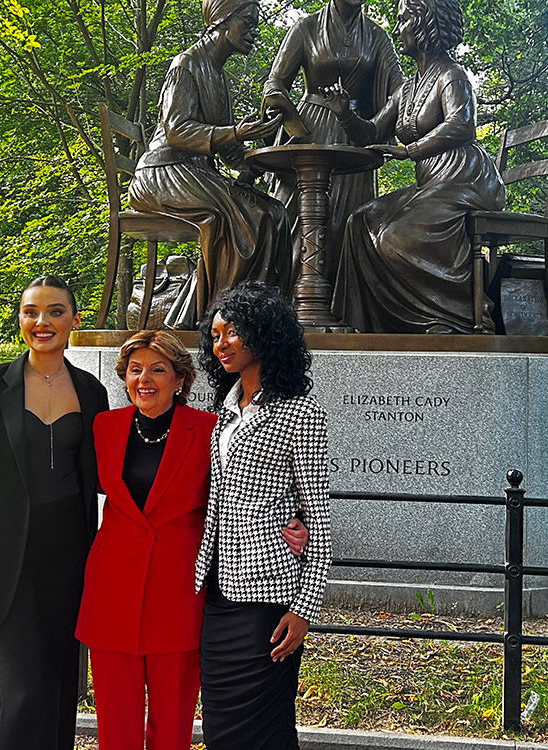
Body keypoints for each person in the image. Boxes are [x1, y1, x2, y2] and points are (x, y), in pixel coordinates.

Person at [75, 330, 308, 750]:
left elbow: (248, 487)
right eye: (135, 369)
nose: (144, 379)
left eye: (158, 369)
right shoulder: (103, 427)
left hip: (178, 591)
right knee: (115, 722)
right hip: (111, 591)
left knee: (173, 721)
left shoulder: (209, 430)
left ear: (180, 379)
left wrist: (289, 520)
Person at [0, 276, 110, 750]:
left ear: (74, 321)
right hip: (1, 568)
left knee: (59, 694)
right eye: (31, 312)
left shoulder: (92, 392)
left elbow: (109, 477)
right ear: (20, 320)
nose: (43, 322)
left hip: (68, 565)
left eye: (55, 311)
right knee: (21, 694)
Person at [194, 280, 332, 750]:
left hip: (268, 596)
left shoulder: (301, 411)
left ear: (265, 334)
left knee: (266, 728)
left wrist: (304, 609)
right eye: (214, 336)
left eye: (232, 332)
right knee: (219, 723)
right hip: (216, 589)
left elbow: (317, 516)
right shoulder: (224, 410)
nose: (221, 344)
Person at [323, 0, 506, 334]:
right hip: (431, 184)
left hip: (465, 179)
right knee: (359, 221)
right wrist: (344, 113)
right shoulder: (407, 89)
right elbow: (372, 132)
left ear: (426, 24)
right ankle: (370, 324)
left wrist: (411, 150)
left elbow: (462, 125)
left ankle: (457, 317)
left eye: (403, 20)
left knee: (396, 236)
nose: (397, 29)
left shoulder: (452, 76)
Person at [128, 0, 292, 329]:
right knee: (244, 217)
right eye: (247, 22)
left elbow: (228, 153)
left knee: (275, 214)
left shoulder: (217, 76)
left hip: (196, 172)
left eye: (255, 23)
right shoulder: (186, 64)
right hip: (163, 173)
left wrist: (264, 149)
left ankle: (260, 317)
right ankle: (221, 318)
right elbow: (176, 131)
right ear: (221, 21)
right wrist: (234, 132)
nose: (253, 31)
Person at [262, 0, 402, 286]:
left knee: (347, 223)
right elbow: (276, 80)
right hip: (310, 132)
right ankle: (287, 296)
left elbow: (399, 89)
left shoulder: (377, 36)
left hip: (354, 135)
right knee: (293, 217)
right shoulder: (306, 27)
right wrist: (277, 101)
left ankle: (340, 305)